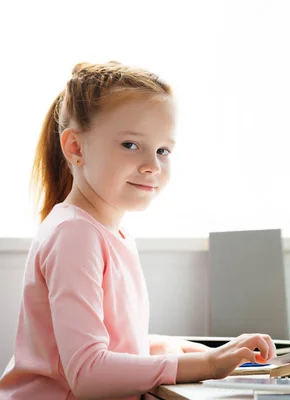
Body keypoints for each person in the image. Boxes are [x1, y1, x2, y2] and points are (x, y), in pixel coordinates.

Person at [0, 61, 276, 400]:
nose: (152, 165)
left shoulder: (108, 233)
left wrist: (207, 352)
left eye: (163, 150)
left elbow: (119, 344)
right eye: (131, 145)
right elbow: (88, 372)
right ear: (75, 148)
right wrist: (207, 364)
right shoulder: (75, 235)